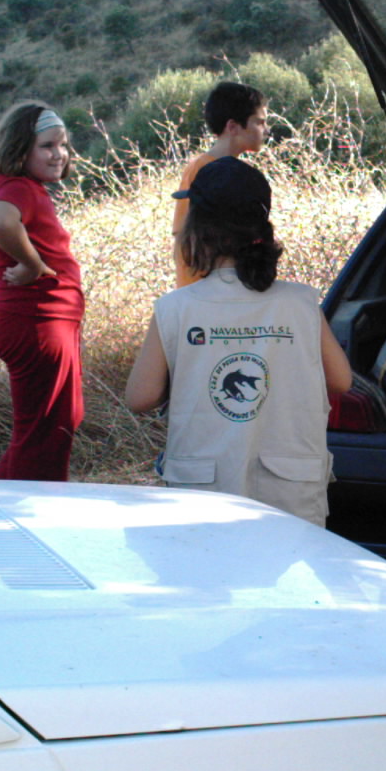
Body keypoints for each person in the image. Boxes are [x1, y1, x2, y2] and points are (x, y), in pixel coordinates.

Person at [125, 155, 351, 525]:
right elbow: (342, 381)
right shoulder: (301, 302)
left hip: (204, 496)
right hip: (291, 492)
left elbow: (140, 397)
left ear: (197, 229)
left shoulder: (176, 308)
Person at [0, 102, 86, 481]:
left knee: (50, 428)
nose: (59, 154)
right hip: (36, 321)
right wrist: (34, 264)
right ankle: (23, 518)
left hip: (42, 321)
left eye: (63, 145)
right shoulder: (18, 187)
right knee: (44, 436)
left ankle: (0, 510)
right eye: (47, 146)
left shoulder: (18, 188)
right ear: (19, 150)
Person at [172, 81, 269, 289]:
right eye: (259, 122)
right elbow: (185, 240)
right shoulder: (201, 170)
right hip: (207, 296)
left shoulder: (241, 174)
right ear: (232, 126)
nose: (266, 130)